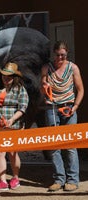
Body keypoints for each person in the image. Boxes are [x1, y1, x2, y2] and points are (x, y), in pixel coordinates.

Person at [41, 41, 84, 192]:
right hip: (52, 107)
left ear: (67, 54)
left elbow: (80, 90)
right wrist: (44, 85)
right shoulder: (47, 68)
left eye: (63, 55)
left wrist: (75, 107)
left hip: (69, 108)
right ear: (54, 53)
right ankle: (59, 179)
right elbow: (43, 86)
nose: (60, 58)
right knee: (54, 145)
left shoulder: (73, 68)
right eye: (58, 55)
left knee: (71, 145)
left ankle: (72, 179)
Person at [0, 62, 29, 191]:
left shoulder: (20, 89)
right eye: (4, 75)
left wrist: (11, 120)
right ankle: (2, 181)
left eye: (9, 76)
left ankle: (15, 178)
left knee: (13, 153)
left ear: (15, 76)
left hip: (13, 126)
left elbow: (23, 108)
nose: (6, 78)